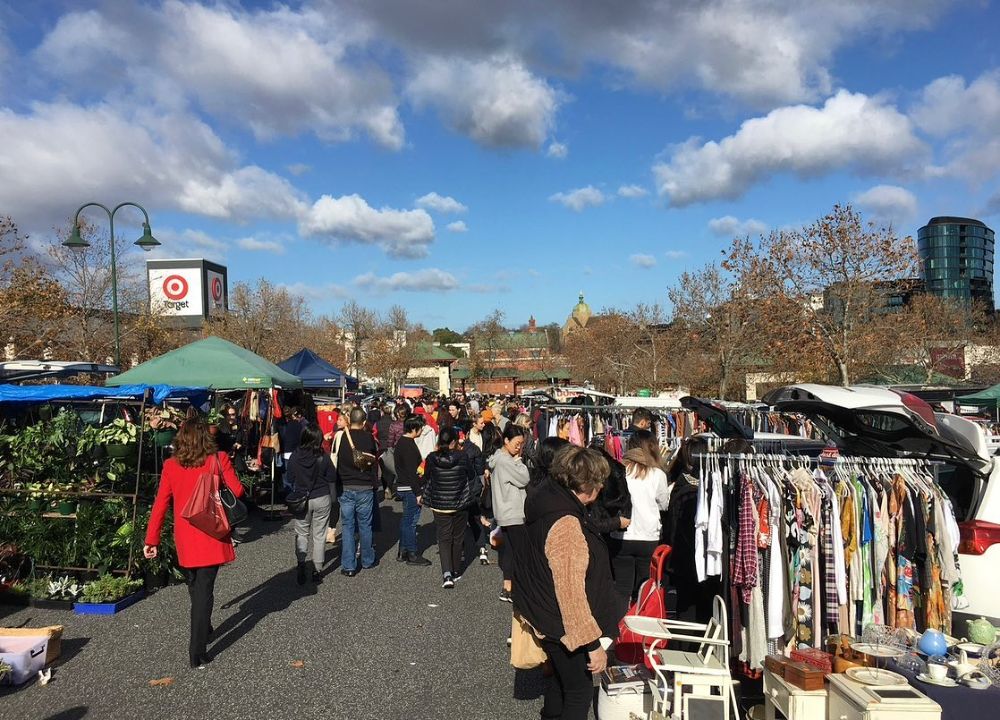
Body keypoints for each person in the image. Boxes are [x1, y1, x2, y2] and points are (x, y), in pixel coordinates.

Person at [515, 445, 624, 720]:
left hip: (543, 611)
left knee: (560, 682)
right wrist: (592, 645)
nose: (600, 489)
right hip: (561, 623)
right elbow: (571, 593)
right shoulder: (566, 523)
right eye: (598, 484)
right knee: (579, 692)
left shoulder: (546, 498)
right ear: (587, 485)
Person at [143, 413, 245, 669]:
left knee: (194, 586)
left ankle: (204, 626)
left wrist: (151, 539)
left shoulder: (170, 465)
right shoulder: (217, 460)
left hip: (185, 536)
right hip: (211, 531)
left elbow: (160, 505)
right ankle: (197, 649)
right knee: (204, 592)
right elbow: (239, 491)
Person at [608, 430, 670, 603]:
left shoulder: (619, 470)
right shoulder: (657, 474)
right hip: (648, 535)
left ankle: (619, 625)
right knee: (644, 587)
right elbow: (664, 504)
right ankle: (640, 622)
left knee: (621, 587)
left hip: (622, 533)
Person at [423, 427, 474, 588]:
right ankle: (455, 569)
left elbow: (427, 477)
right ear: (453, 441)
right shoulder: (463, 457)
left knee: (444, 538)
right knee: (458, 537)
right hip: (460, 502)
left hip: (439, 503)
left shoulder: (431, 458)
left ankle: (446, 573)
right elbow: (471, 476)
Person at [287, 423, 335, 585]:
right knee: (319, 535)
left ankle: (301, 563)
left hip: (302, 499)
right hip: (322, 497)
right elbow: (332, 477)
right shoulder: (323, 456)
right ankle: (317, 569)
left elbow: (290, 478)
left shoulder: (295, 456)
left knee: (302, 533)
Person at [489, 424, 530, 603]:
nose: (519, 447)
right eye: (517, 442)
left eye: (521, 443)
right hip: (513, 511)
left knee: (509, 551)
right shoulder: (507, 461)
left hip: (504, 510)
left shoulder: (498, 458)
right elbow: (524, 478)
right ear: (506, 440)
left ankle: (508, 587)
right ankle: (514, 588)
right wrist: (518, 461)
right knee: (518, 552)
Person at [336, 408, 379, 576]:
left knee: (347, 526)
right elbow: (373, 460)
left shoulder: (340, 437)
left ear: (349, 419)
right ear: (363, 421)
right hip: (365, 486)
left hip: (346, 485)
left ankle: (349, 565)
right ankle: (367, 560)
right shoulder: (368, 438)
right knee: (365, 525)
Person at [395, 415, 431, 566]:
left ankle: (403, 550)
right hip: (410, 487)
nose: (422, 430)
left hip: (405, 486)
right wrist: (418, 492)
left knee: (406, 519)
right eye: (420, 427)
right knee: (411, 521)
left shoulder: (403, 442)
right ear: (413, 428)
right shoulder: (408, 445)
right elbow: (411, 472)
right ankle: (412, 553)